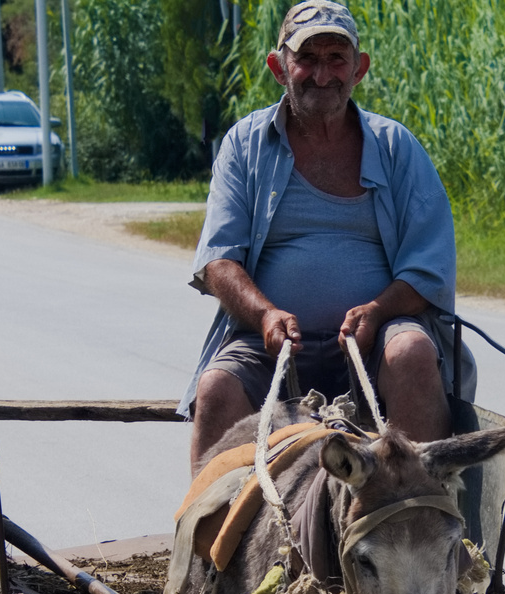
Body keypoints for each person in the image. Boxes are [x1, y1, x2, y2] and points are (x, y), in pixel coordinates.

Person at [179, 0, 470, 475]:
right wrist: (265, 314)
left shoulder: (396, 147)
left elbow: (428, 267)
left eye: (337, 58)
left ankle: (424, 523)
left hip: (373, 343)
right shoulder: (244, 145)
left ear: (360, 69)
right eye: (307, 59)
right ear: (279, 68)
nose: (322, 74)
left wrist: (378, 311)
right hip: (270, 343)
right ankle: (209, 543)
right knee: (216, 388)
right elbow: (219, 262)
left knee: (413, 352)